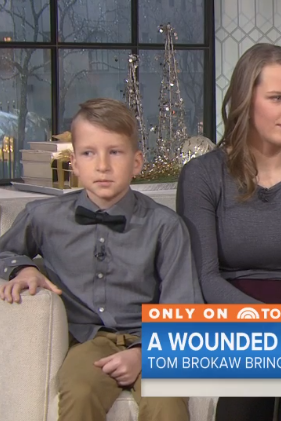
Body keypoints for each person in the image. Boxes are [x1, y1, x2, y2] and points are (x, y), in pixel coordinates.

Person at [0, 98, 202, 421]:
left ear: (137, 162)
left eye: (115, 152)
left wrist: (143, 355)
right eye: (89, 153)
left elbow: (183, 306)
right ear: (75, 164)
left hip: (152, 341)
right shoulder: (44, 217)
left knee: (167, 403)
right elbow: (4, 251)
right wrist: (22, 268)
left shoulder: (166, 226)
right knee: (80, 393)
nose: (103, 165)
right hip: (86, 342)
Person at [176, 43, 281, 421]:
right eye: (277, 98)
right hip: (229, 312)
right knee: (249, 391)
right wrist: (261, 326)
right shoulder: (202, 175)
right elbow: (204, 275)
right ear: (245, 101)